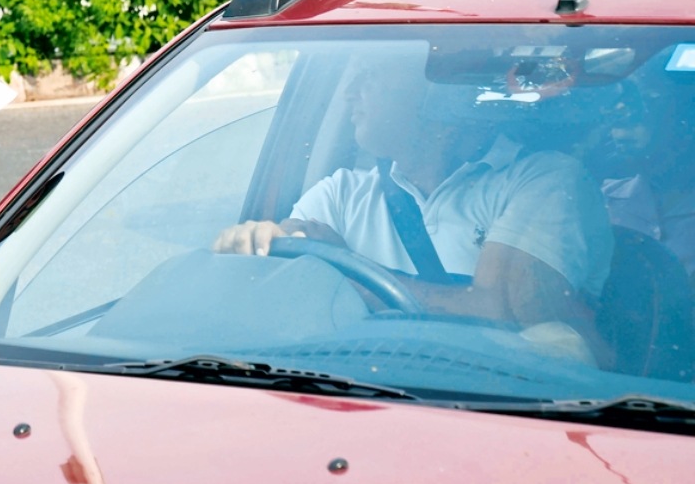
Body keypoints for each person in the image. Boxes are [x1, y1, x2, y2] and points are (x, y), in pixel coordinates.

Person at [213, 50, 614, 362]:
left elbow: (503, 312)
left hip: (492, 414)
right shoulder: (342, 192)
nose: (348, 92)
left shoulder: (542, 180)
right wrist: (262, 242)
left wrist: (346, 274)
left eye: (368, 74)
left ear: (435, 95)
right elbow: (294, 247)